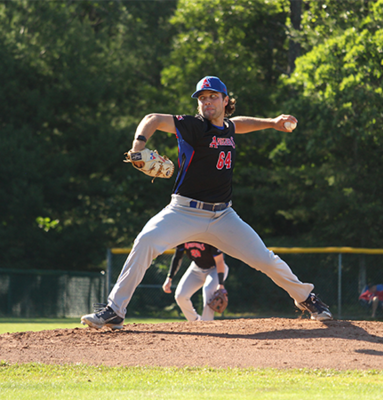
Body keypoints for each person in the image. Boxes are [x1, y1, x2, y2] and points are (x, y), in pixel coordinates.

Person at [81, 75, 333, 330]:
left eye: (213, 96)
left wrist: (272, 123)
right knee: (145, 242)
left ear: (226, 101)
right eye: (202, 98)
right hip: (183, 211)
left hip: (223, 216)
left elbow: (239, 124)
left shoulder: (228, 128)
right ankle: (115, 310)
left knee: (265, 259)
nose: (207, 101)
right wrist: (138, 146)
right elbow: (152, 119)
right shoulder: (193, 126)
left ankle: (306, 298)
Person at [162, 242, 229, 321]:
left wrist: (221, 284)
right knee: (180, 296)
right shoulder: (185, 236)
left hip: (215, 269)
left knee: (208, 289)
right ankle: (196, 321)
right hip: (196, 268)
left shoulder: (208, 237)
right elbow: (177, 257)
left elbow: (219, 261)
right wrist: (169, 278)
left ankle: (207, 322)